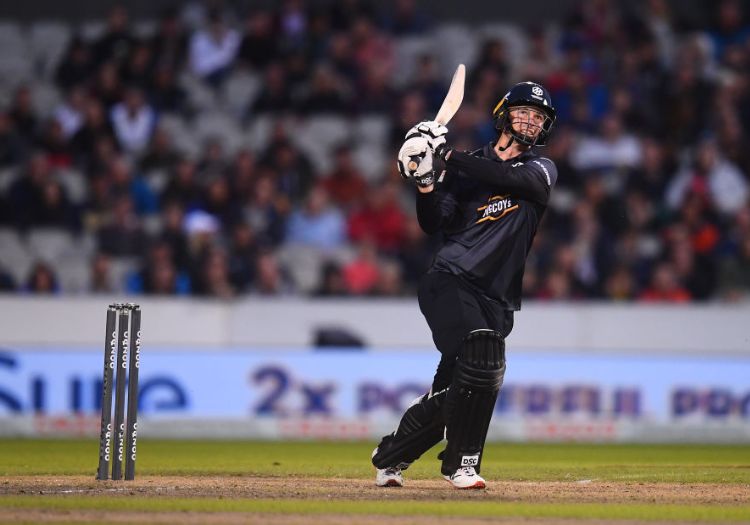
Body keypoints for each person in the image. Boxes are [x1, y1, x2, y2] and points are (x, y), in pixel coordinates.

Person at [371, 82, 558, 489]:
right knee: (484, 355)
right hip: (450, 279)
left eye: (538, 117)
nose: (531, 120)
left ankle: (390, 456)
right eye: (524, 111)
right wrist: (424, 181)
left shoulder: (540, 169)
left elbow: (513, 181)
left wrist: (446, 156)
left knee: (461, 392)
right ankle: (462, 465)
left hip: (497, 296)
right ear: (503, 114)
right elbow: (434, 222)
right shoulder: (464, 168)